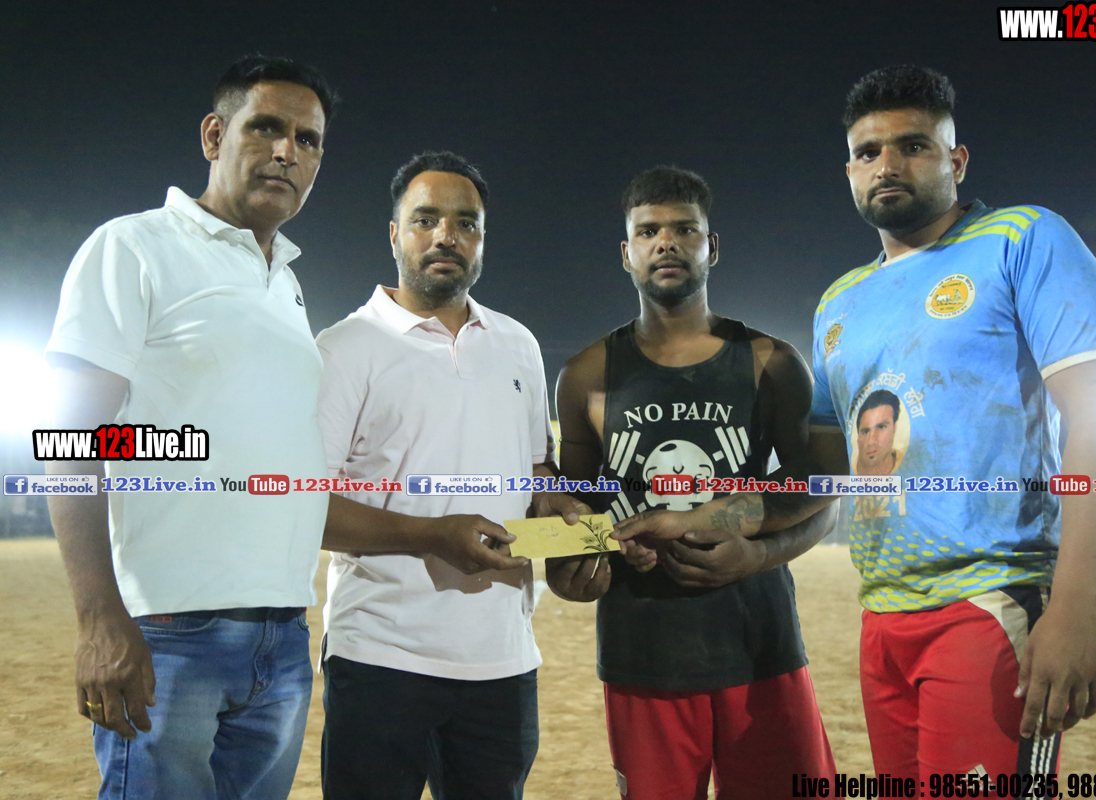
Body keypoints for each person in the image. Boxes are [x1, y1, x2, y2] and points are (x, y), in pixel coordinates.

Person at [805, 65, 1096, 778]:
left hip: (990, 599)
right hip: (881, 613)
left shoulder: (1024, 238)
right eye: (867, 152)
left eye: (913, 145)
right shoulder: (837, 303)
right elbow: (825, 465)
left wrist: (1078, 605)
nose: (887, 164)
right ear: (850, 172)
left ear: (955, 161)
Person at [44, 55, 337, 799]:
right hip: (172, 633)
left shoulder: (287, 284)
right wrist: (100, 620)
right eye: (266, 128)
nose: (287, 151)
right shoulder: (133, 247)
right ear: (214, 135)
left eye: (307, 140)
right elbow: (71, 440)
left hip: (282, 636)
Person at [550, 166, 838, 799]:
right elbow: (575, 519)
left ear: (713, 247)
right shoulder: (586, 375)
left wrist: (758, 555)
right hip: (641, 656)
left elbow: (821, 497)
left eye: (685, 229)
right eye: (648, 231)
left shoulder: (770, 362)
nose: (667, 242)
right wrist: (570, 568)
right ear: (626, 253)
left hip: (761, 647)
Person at [316, 151, 582, 800]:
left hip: (503, 660)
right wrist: (431, 535)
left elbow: (536, 473)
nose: (446, 236)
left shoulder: (517, 344)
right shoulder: (343, 348)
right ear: (394, 234)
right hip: (380, 657)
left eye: (466, 224)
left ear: (483, 239)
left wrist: (571, 526)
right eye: (425, 219)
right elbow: (304, 508)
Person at [854, 389, 902, 475]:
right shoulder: (849, 468)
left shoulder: (915, 467)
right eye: (865, 432)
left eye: (881, 427)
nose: (871, 441)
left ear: (894, 427)